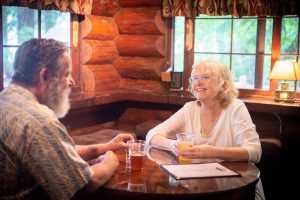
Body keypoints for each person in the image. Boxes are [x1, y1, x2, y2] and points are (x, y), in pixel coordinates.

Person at [0, 38, 133, 200]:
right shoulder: (39, 121)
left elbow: (56, 153)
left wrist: (105, 147)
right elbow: (85, 185)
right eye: (67, 74)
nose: (72, 82)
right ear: (45, 76)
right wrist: (111, 160)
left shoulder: (6, 99)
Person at [146, 60, 265, 200]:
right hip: (198, 189)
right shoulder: (190, 109)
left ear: (224, 85)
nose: (197, 83)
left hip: (237, 190)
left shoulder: (236, 107)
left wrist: (211, 151)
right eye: (195, 78)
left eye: (205, 77)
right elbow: (152, 135)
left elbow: (255, 152)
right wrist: (172, 145)